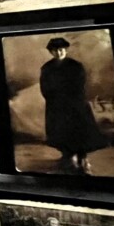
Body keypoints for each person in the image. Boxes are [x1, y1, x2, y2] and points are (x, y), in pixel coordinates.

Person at [40, 37, 110, 174]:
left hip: (75, 103)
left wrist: (70, 99)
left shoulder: (75, 66)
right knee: (60, 130)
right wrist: (53, 99)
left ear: (65, 50)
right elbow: (45, 87)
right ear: (51, 52)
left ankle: (82, 158)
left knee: (79, 130)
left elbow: (79, 85)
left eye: (60, 50)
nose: (58, 53)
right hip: (56, 105)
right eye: (55, 51)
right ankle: (67, 156)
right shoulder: (47, 68)